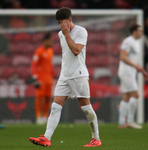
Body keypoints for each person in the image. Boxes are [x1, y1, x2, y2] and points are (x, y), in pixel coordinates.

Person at [29, 7, 101, 147]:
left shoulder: (81, 31)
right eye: (59, 23)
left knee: (86, 108)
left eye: (63, 22)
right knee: (55, 106)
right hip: (65, 76)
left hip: (79, 75)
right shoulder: (60, 34)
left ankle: (96, 138)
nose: (61, 26)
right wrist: (64, 33)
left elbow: (76, 51)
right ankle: (46, 137)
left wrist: (67, 34)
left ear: (70, 19)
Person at [118, 24, 148, 129]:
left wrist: (142, 71)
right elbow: (122, 57)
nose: (141, 33)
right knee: (135, 95)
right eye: (140, 31)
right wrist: (136, 67)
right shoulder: (128, 41)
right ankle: (130, 120)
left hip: (130, 71)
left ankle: (121, 121)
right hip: (126, 71)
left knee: (126, 96)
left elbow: (135, 60)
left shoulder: (136, 42)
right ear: (134, 31)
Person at [31, 33, 54, 124]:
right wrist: (34, 76)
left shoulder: (50, 51)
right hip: (41, 79)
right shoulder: (39, 51)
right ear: (45, 41)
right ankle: (38, 117)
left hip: (49, 79)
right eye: (50, 40)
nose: (51, 42)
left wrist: (53, 74)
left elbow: (50, 65)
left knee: (48, 98)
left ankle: (45, 116)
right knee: (40, 98)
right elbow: (34, 65)